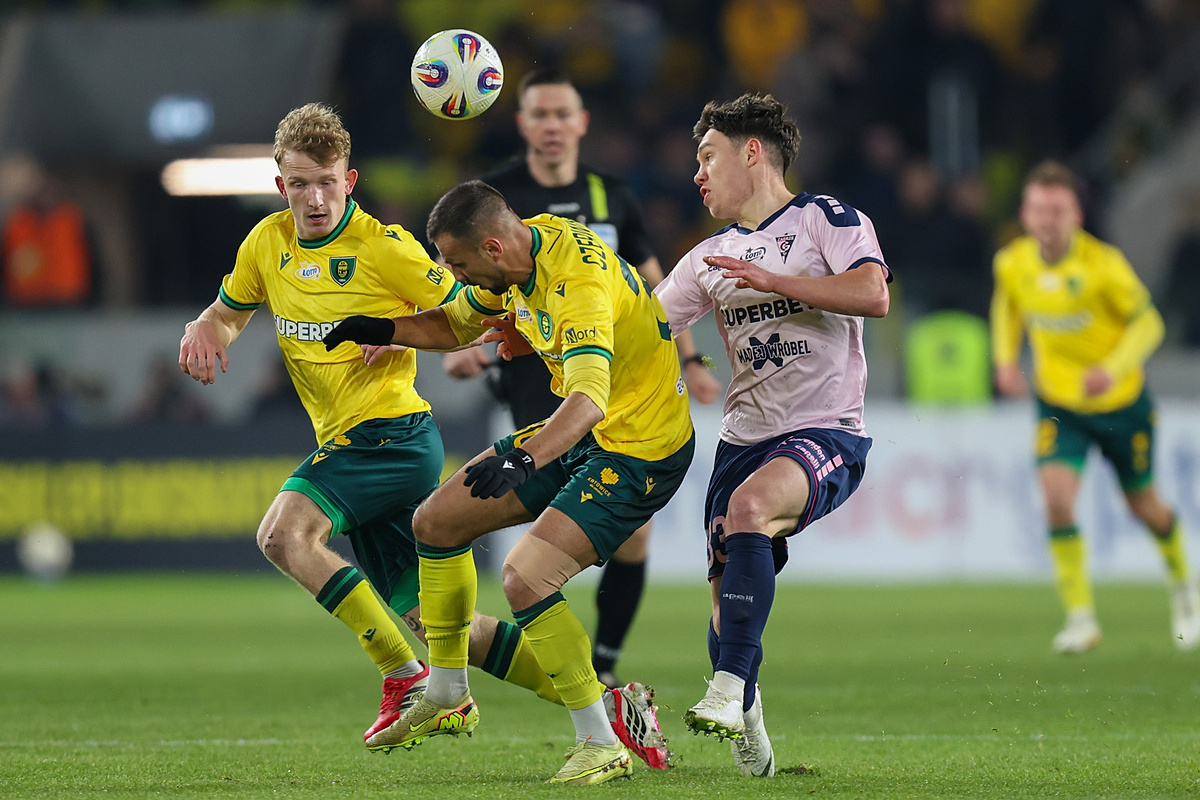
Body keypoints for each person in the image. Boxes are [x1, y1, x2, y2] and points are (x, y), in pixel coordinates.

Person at [176, 104, 667, 759]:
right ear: (280, 186)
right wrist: (205, 326)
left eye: (327, 182)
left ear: (349, 181)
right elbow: (229, 311)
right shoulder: (266, 243)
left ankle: (405, 677)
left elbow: (467, 302)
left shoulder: (385, 248)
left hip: (390, 436)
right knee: (449, 631)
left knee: (283, 535)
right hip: (344, 441)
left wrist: (473, 336)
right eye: (300, 184)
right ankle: (610, 708)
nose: (315, 198)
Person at [321, 179, 694, 785]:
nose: (455, 276)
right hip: (588, 432)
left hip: (640, 449)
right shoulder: (523, 255)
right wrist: (383, 329)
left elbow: (589, 397)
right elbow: (457, 325)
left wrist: (526, 460)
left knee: (525, 577)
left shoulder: (577, 283)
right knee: (435, 522)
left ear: (492, 247)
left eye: (458, 264)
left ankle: (599, 741)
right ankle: (447, 691)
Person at [443, 68, 723, 689]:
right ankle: (566, 675)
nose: (551, 125)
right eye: (540, 115)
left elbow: (654, 289)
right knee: (533, 544)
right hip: (536, 383)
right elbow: (474, 290)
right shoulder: (498, 197)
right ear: (523, 125)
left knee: (625, 538)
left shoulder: (613, 196)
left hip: (611, 386)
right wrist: (467, 347)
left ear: (581, 123)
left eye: (562, 114)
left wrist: (689, 360)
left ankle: (602, 669)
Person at [653, 93, 891, 777]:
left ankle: (727, 688)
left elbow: (872, 294)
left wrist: (773, 280)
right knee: (725, 611)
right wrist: (535, 331)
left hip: (825, 431)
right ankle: (748, 709)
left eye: (708, 157)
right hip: (742, 441)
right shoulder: (710, 256)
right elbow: (643, 324)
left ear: (752, 152)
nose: (698, 174)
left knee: (751, 508)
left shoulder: (826, 219)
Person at [990, 159, 1200, 654]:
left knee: (1144, 507)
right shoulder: (1012, 262)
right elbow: (1008, 304)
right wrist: (1005, 359)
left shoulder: (1104, 266)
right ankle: (1081, 617)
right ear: (1025, 214)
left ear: (1076, 215)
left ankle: (1184, 586)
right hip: (1060, 405)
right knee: (1057, 498)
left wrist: (1113, 367)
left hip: (1121, 405)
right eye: (1038, 209)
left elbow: (1149, 324)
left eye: (1057, 210)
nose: (1047, 220)